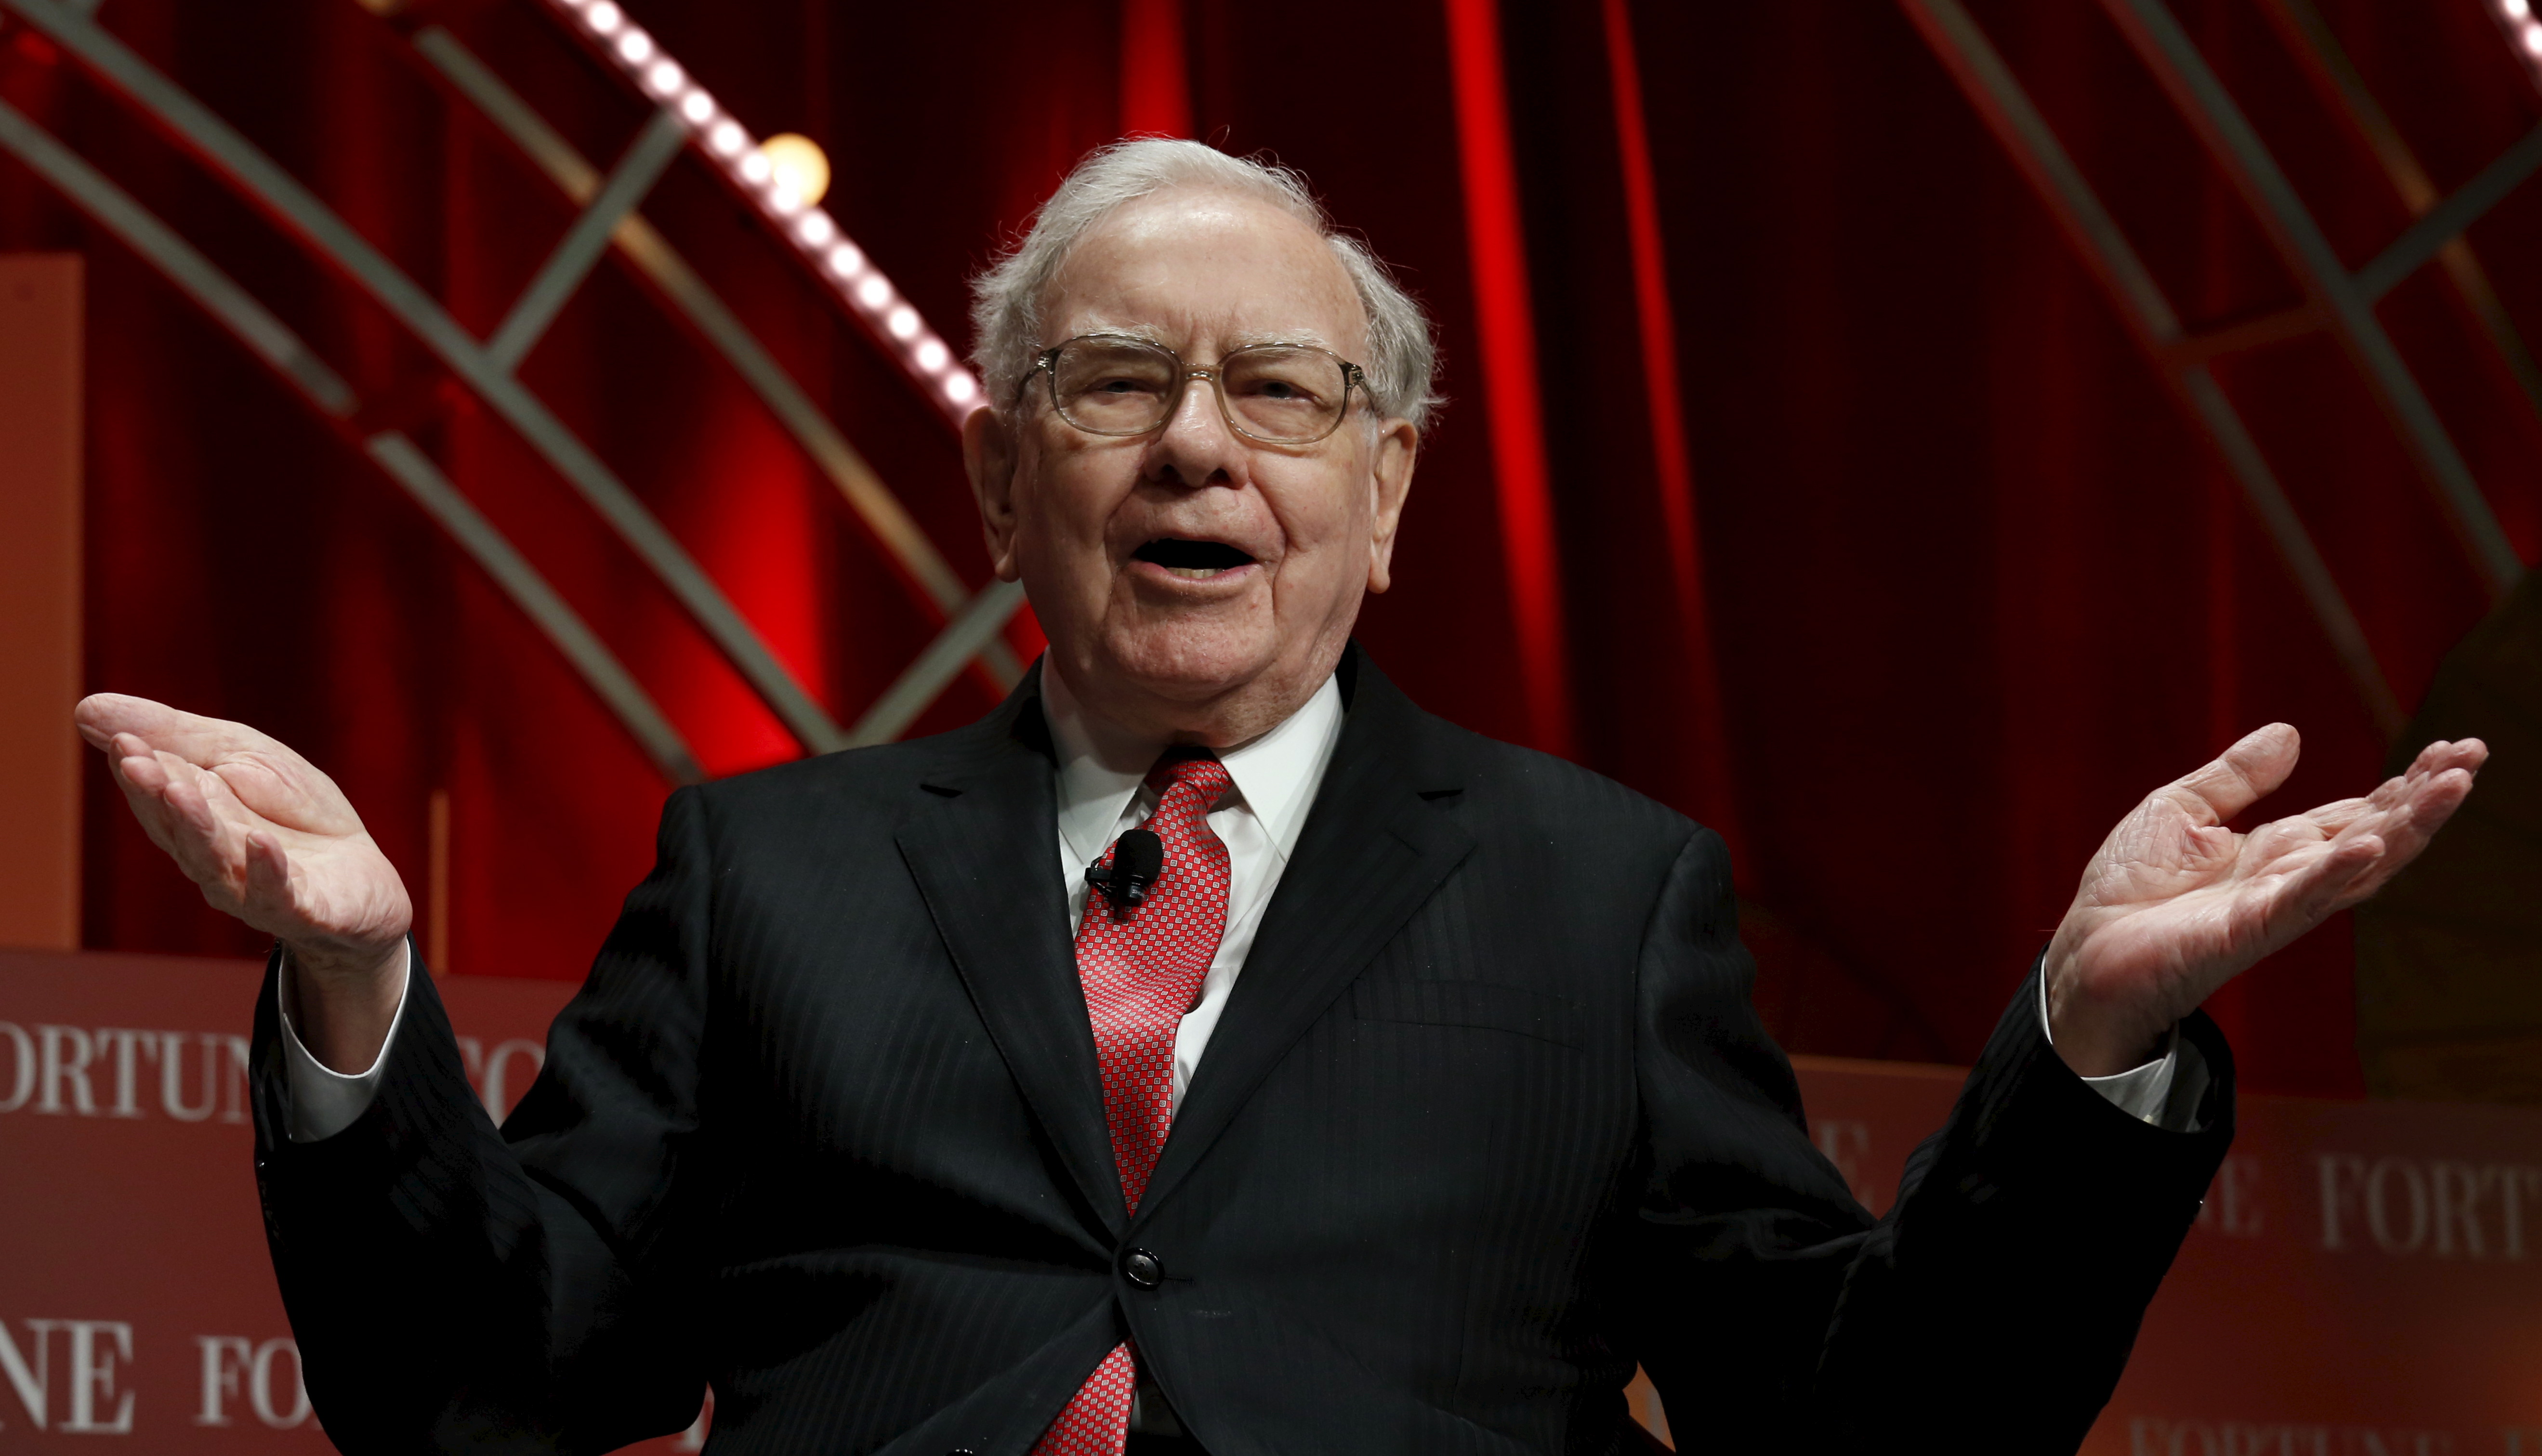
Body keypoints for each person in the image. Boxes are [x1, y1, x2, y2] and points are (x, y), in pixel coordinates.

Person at [76, 139, 2483, 1456]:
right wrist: (358, 990)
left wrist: (2082, 1046)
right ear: (1002, 477)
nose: (1202, 444)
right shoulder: (766, 871)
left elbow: (1860, 1432)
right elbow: (499, 1382)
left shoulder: (1599, 896)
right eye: (1118, 381)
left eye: (1287, 395)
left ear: (1390, 485)